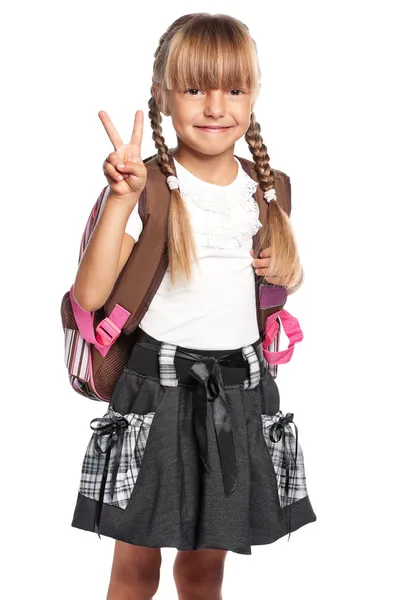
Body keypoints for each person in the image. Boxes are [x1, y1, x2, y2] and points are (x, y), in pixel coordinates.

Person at [71, 12, 316, 600]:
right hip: (156, 393)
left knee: (206, 571)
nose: (215, 105)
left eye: (234, 88)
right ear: (162, 95)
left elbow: (271, 281)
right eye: (195, 87)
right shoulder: (147, 182)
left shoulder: (269, 188)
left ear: (253, 96)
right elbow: (90, 297)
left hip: (239, 392)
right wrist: (118, 199)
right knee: (136, 569)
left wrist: (291, 273)